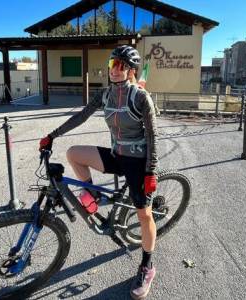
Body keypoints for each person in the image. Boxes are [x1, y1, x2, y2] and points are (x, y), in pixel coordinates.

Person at [40, 45, 158, 300]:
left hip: (138, 162)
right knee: (74, 153)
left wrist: (151, 172)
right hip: (117, 156)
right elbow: (81, 116)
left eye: (120, 66)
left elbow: (152, 137)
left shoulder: (140, 97)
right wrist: (52, 135)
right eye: (111, 64)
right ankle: (91, 196)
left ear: (131, 70)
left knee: (145, 214)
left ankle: (147, 266)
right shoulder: (104, 94)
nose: (114, 70)